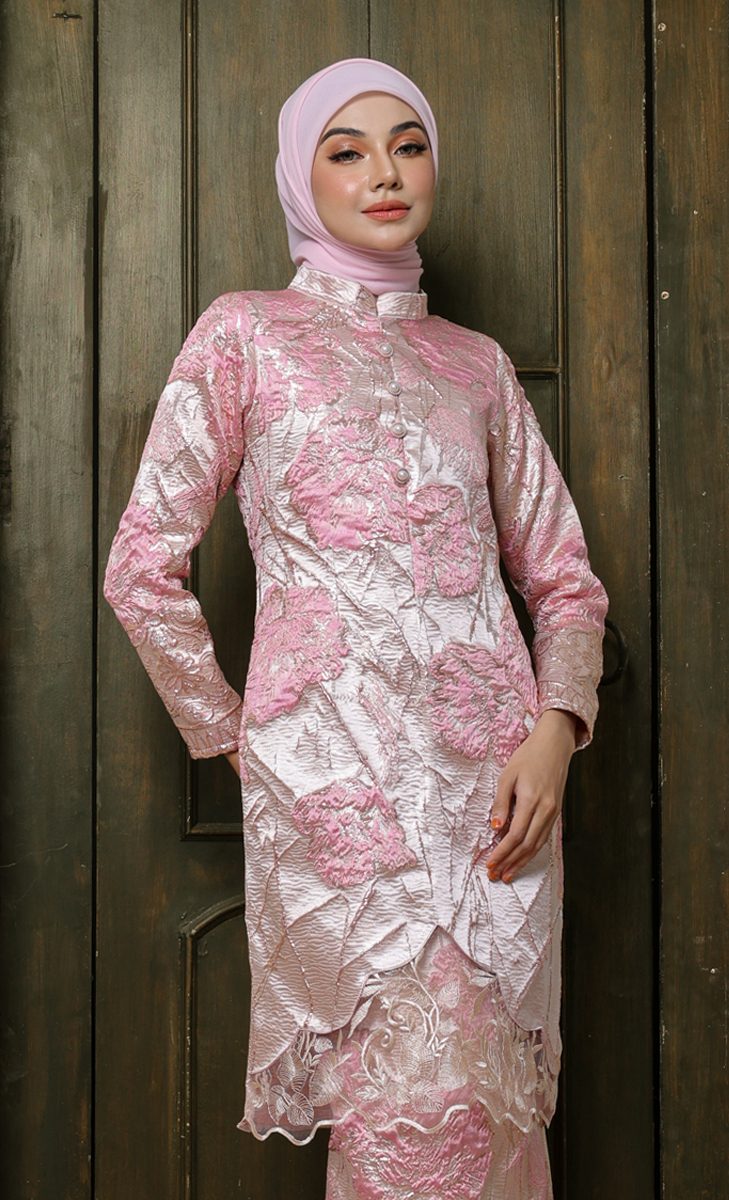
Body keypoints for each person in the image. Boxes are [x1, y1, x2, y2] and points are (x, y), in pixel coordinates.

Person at [104, 56, 609, 1200]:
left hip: (498, 810)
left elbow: (567, 582)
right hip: (341, 814)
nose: (385, 172)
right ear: (303, 176)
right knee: (402, 1135)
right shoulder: (246, 337)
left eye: (407, 145)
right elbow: (141, 567)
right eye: (347, 150)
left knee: (496, 1130)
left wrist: (557, 730)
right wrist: (242, 736)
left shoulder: (476, 366)